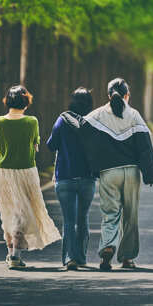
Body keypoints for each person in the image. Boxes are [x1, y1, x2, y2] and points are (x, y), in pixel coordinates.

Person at [83, 78, 153, 271]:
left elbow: (82, 133)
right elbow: (145, 147)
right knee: (130, 216)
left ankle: (108, 246)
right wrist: (151, 174)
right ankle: (127, 258)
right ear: (127, 95)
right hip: (131, 173)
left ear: (108, 95)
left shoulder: (97, 115)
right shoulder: (134, 115)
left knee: (110, 214)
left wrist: (92, 164)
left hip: (109, 173)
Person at [0, 85, 61, 269]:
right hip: (26, 171)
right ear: (26, 102)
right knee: (23, 211)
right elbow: (35, 144)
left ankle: (11, 252)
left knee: (7, 210)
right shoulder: (31, 121)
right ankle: (15, 255)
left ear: (8, 101)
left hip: (3, 171)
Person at [47, 87, 96, 270]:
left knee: (68, 220)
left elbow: (51, 145)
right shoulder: (93, 121)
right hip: (87, 178)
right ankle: (82, 258)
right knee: (83, 218)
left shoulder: (62, 119)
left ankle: (70, 259)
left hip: (65, 178)